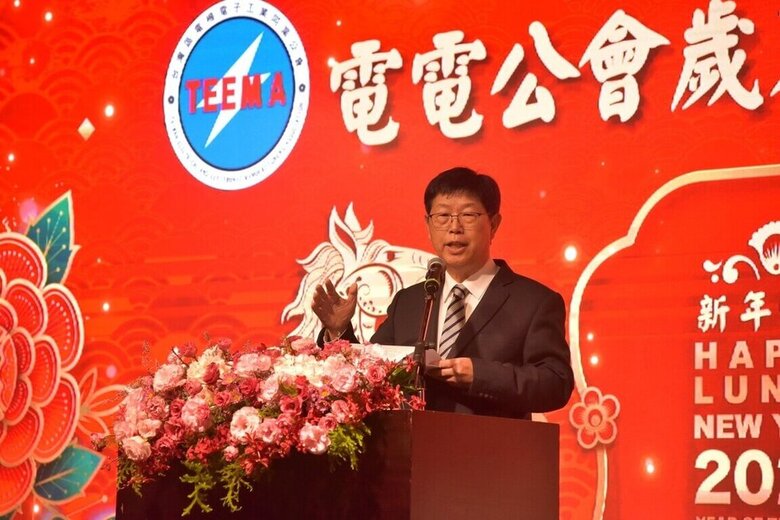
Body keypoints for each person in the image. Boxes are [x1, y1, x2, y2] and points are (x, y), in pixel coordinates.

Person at [312, 167, 573, 419]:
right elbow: (375, 372)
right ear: (428, 225)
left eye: (468, 215)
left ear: (493, 224)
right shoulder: (410, 302)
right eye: (443, 216)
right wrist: (339, 333)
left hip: (491, 447)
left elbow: (556, 384)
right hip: (412, 446)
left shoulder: (533, 302)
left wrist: (479, 375)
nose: (454, 227)